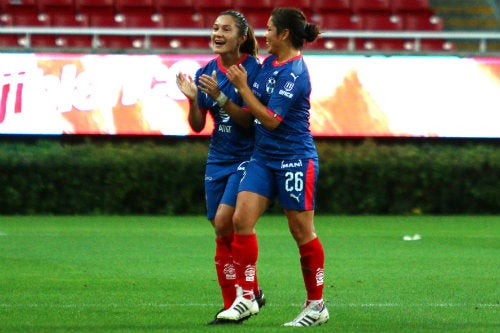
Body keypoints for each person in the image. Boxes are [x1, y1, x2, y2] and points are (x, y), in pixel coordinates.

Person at [214, 7, 329, 327]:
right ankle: (247, 296)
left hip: (294, 158)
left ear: (284, 34)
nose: (264, 34)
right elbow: (253, 111)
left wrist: (243, 87)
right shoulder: (268, 64)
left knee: (301, 231)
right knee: (241, 219)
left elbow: (271, 119)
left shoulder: (295, 72)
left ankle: (317, 304)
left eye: (269, 29)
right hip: (263, 157)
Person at [175, 10, 265, 325]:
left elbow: (249, 120)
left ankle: (244, 299)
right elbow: (198, 125)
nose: (218, 33)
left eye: (225, 29)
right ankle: (241, 296)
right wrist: (192, 100)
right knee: (219, 227)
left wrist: (220, 96)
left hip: (248, 156)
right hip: (218, 157)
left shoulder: (254, 70)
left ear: (241, 38)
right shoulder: (207, 70)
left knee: (228, 220)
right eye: (215, 28)